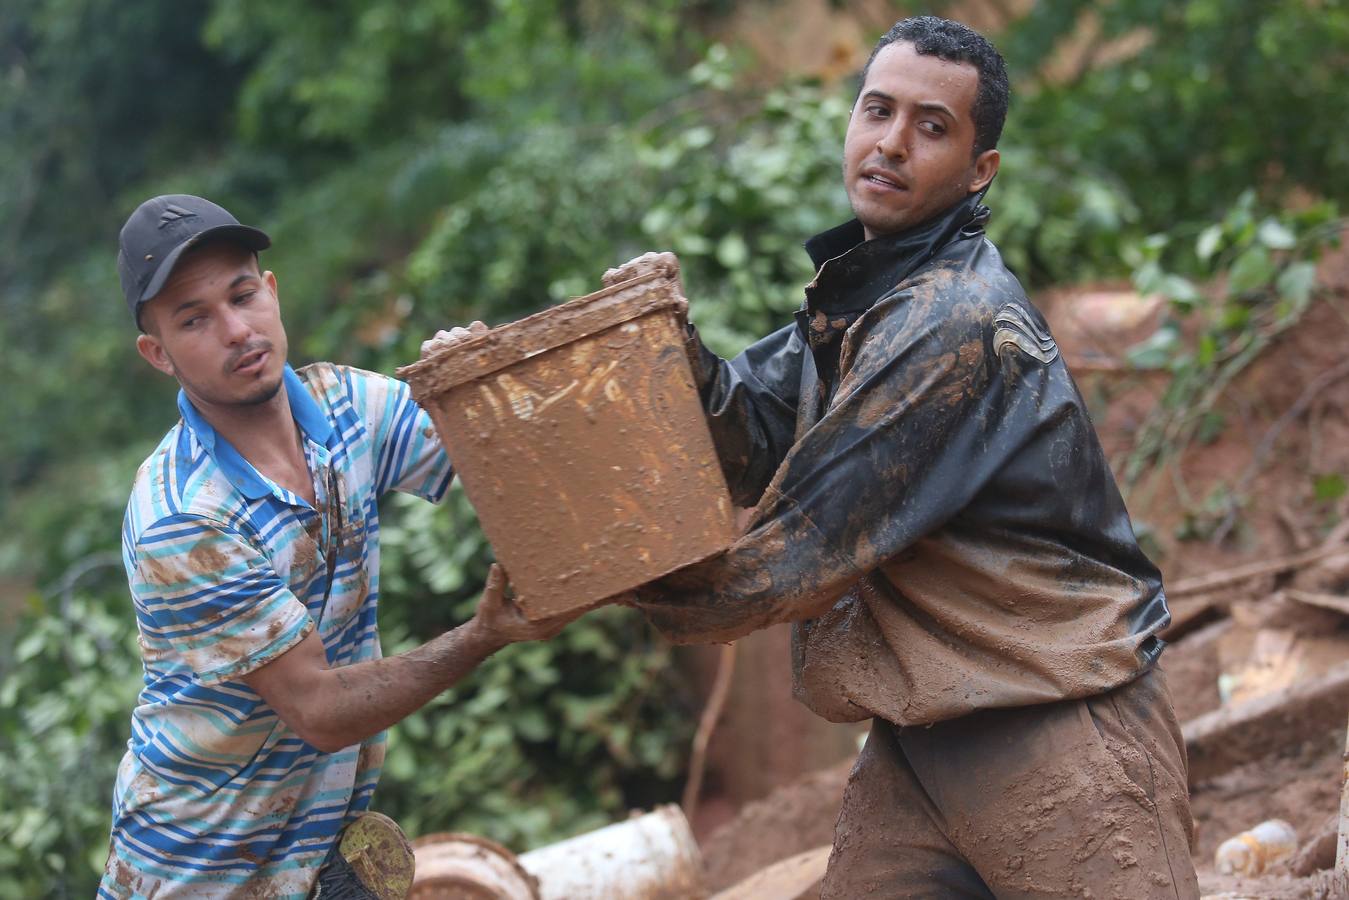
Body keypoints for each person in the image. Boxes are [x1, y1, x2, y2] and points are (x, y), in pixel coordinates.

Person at [620, 16, 1201, 898]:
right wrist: (666, 344)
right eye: (876, 110)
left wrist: (599, 584)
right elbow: (746, 442)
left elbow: (799, 553)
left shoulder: (950, 320)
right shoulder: (867, 299)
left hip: (1057, 732)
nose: (890, 143)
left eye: (931, 127)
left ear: (979, 170)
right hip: (923, 743)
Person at [99, 194, 577, 899]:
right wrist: (481, 637)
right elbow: (320, 710)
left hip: (314, 854)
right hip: (201, 873)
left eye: (240, 295)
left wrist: (485, 380)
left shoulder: (348, 406)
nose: (236, 331)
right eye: (194, 319)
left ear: (271, 292)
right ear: (157, 354)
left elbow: (506, 457)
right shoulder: (182, 516)